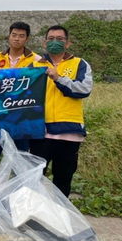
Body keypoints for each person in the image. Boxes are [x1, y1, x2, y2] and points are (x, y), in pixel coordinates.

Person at [29, 25, 93, 197]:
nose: (54, 42)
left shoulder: (80, 64)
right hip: (40, 132)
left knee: (63, 180)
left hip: (69, 132)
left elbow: (83, 90)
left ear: (68, 43)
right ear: (44, 43)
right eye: (51, 39)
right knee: (34, 180)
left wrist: (58, 78)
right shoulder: (34, 65)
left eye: (60, 39)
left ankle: (60, 218)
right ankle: (33, 216)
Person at [0, 22, 39, 183]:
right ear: (8, 36)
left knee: (21, 154)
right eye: (14, 35)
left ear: (27, 39)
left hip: (23, 117)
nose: (17, 39)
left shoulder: (36, 60)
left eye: (21, 36)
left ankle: (22, 190)